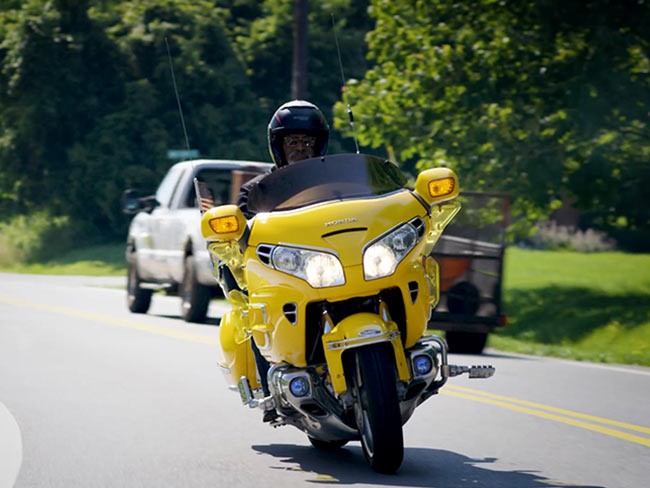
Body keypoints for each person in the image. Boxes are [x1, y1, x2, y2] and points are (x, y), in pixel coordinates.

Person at [219, 100, 329, 421]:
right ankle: (272, 390)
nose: (300, 148)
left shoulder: (336, 185)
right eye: (292, 141)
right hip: (282, 275)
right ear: (278, 146)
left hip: (332, 269)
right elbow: (239, 237)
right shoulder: (257, 191)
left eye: (307, 141)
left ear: (318, 144)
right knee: (258, 309)